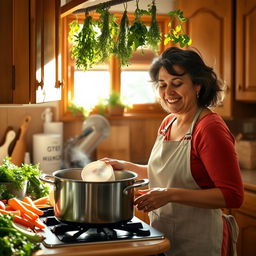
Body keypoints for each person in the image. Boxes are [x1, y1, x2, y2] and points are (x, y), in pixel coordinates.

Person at [101, 46, 244, 256]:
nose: (168, 93)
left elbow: (232, 196)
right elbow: (164, 173)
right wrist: (125, 167)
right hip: (165, 237)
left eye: (177, 84)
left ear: (197, 85)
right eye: (162, 85)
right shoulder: (169, 122)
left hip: (199, 242)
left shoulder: (209, 128)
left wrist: (170, 195)